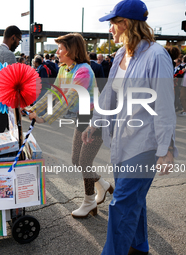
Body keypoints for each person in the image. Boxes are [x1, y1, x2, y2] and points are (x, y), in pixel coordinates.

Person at [82, 1, 178, 254]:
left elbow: (165, 105)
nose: (110, 29)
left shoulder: (157, 55)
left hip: (145, 144)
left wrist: (166, 148)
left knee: (122, 204)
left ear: (126, 24)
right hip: (122, 142)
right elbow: (108, 98)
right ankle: (139, 246)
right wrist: (95, 124)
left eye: (113, 23)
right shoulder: (120, 55)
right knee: (133, 199)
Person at [28, 33, 113, 218]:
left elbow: (69, 97)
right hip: (82, 117)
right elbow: (55, 93)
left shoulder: (83, 71)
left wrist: (45, 118)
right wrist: (33, 108)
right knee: (76, 160)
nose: (56, 52)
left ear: (71, 50)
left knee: (84, 161)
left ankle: (89, 201)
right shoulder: (64, 68)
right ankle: (103, 185)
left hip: (95, 118)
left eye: (60, 48)